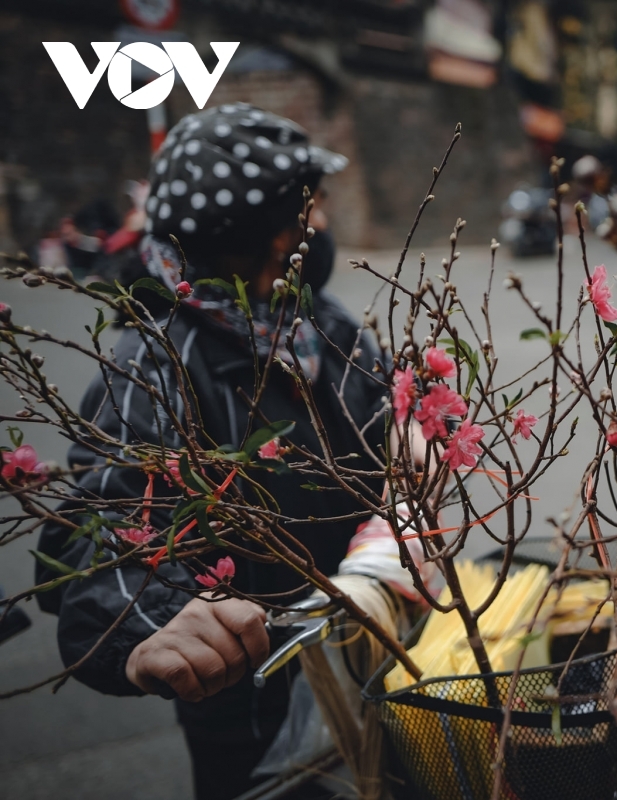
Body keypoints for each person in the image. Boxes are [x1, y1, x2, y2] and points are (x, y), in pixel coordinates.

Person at [35, 104, 382, 800]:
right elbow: (101, 532)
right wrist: (159, 619)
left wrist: (408, 452)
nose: (319, 228)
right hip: (251, 702)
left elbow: (378, 432)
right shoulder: (156, 365)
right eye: (306, 211)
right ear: (256, 235)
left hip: (375, 658)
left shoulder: (323, 324)